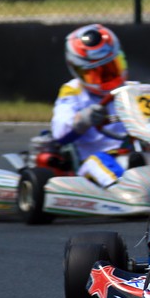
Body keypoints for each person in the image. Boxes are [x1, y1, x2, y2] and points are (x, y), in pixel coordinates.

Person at [51, 23, 133, 187]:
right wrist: (83, 119)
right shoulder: (73, 92)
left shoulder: (134, 89)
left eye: (111, 68)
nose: (108, 77)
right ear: (79, 71)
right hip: (94, 160)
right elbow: (59, 131)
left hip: (135, 155)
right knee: (100, 162)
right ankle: (123, 190)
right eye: (98, 73)